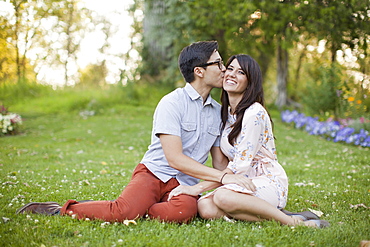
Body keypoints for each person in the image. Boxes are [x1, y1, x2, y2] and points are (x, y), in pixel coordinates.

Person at [16, 41, 256, 224]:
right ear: (199, 71)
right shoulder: (171, 103)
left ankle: (141, 208)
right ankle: (61, 209)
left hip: (184, 183)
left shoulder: (218, 112)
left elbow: (218, 162)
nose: (225, 70)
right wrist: (223, 177)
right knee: (123, 212)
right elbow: (174, 158)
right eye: (219, 64)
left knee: (183, 212)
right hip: (153, 173)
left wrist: (226, 174)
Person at [168, 54, 329, 228]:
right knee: (205, 207)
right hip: (240, 180)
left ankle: (294, 222)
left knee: (223, 197)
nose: (231, 74)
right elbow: (222, 165)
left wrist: (196, 188)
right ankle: (275, 214)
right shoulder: (226, 113)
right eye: (229, 69)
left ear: (250, 81)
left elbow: (239, 166)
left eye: (240, 72)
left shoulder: (254, 113)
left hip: (266, 180)